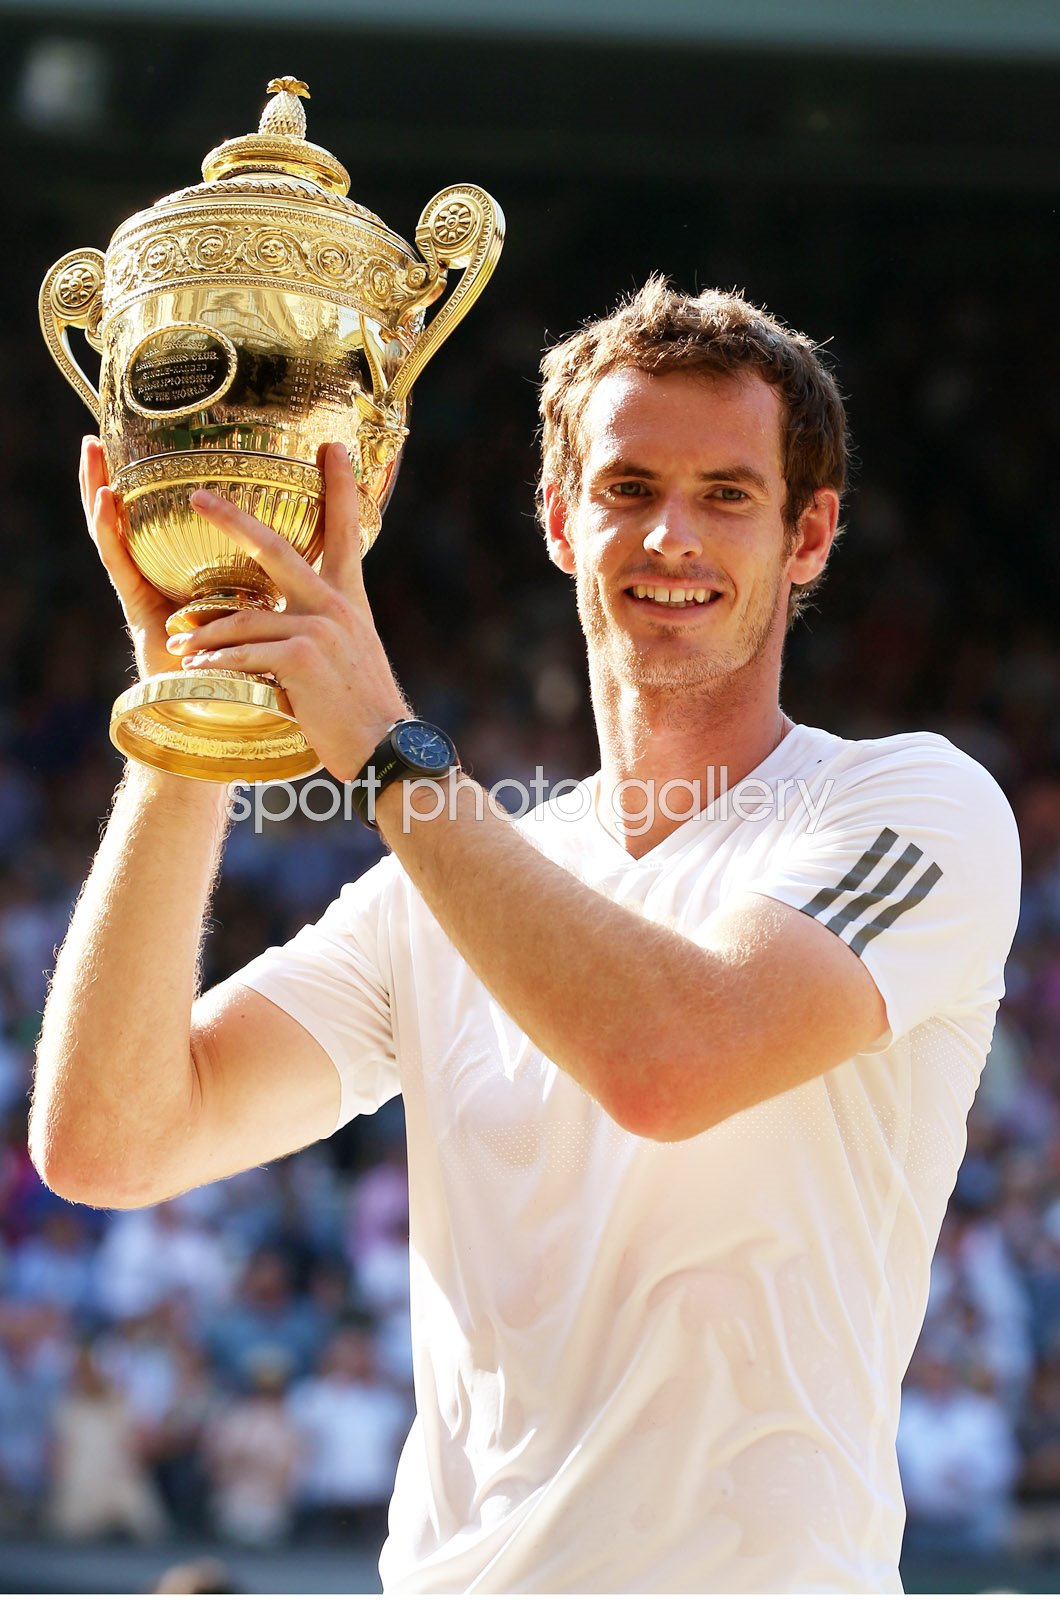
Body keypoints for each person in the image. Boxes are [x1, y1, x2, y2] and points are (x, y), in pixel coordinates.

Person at [31, 278, 1020, 1592]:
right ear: (560, 519)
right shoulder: (446, 880)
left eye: (727, 494)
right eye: (627, 488)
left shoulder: (916, 803)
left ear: (810, 536)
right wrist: (188, 730)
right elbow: (110, 1140)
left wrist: (388, 752)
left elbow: (669, 1064)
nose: (671, 535)